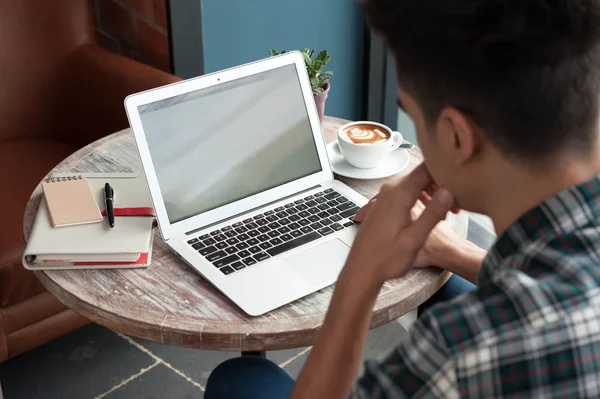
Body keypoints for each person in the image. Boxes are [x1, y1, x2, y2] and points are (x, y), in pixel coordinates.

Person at [205, 0, 600, 397]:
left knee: (239, 380)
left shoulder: (459, 354)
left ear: (455, 137)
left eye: (409, 111)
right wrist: (454, 252)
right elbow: (564, 280)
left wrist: (360, 277)